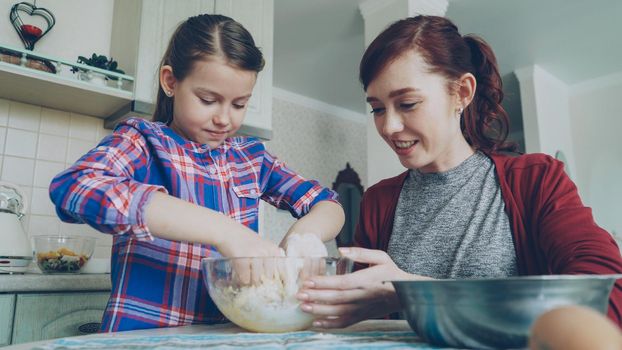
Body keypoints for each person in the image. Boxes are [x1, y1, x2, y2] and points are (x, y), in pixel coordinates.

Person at [296, 15, 622, 329]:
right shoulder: (378, 201)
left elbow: (608, 295)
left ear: (462, 92)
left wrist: (412, 294)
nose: (389, 126)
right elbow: (363, 307)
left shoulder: (537, 179)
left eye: (407, 103)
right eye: (377, 109)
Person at [49, 14, 344, 332]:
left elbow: (328, 205)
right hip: (141, 336)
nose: (224, 119)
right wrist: (226, 231)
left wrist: (300, 242)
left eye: (239, 104)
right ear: (170, 82)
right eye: (208, 100)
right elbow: (73, 188)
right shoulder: (144, 141)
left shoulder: (251, 157)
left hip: (225, 336)